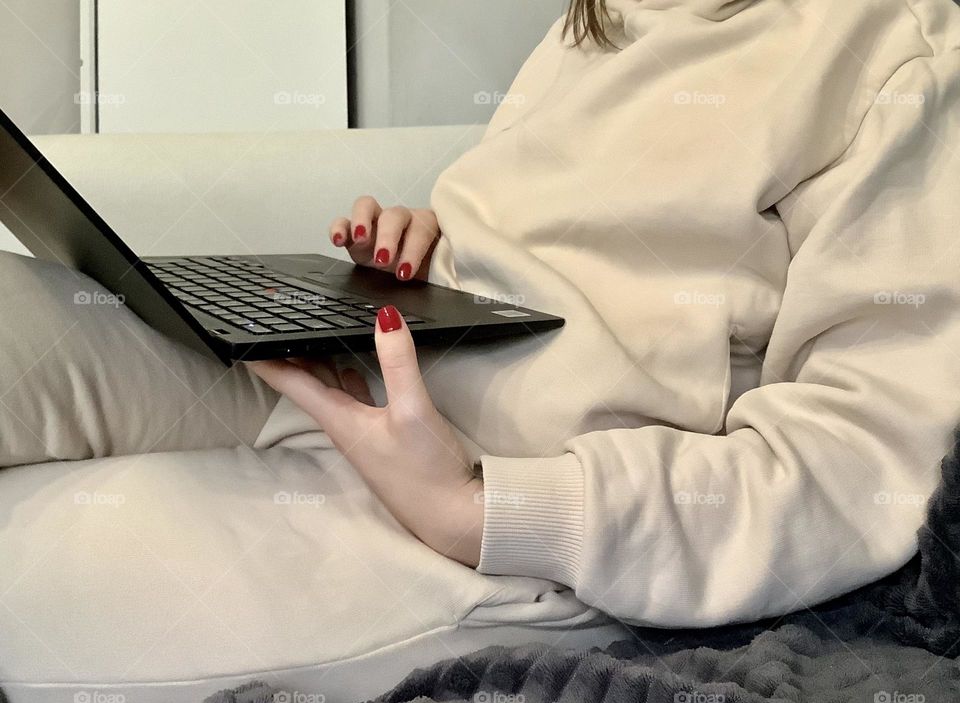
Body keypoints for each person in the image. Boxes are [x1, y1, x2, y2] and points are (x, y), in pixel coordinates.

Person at [253, 0, 960, 626]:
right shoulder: (590, 17)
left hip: (501, 543)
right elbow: (574, 245)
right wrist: (437, 247)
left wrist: (477, 513)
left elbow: (858, 465)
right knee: (138, 330)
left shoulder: (895, 54)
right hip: (353, 401)